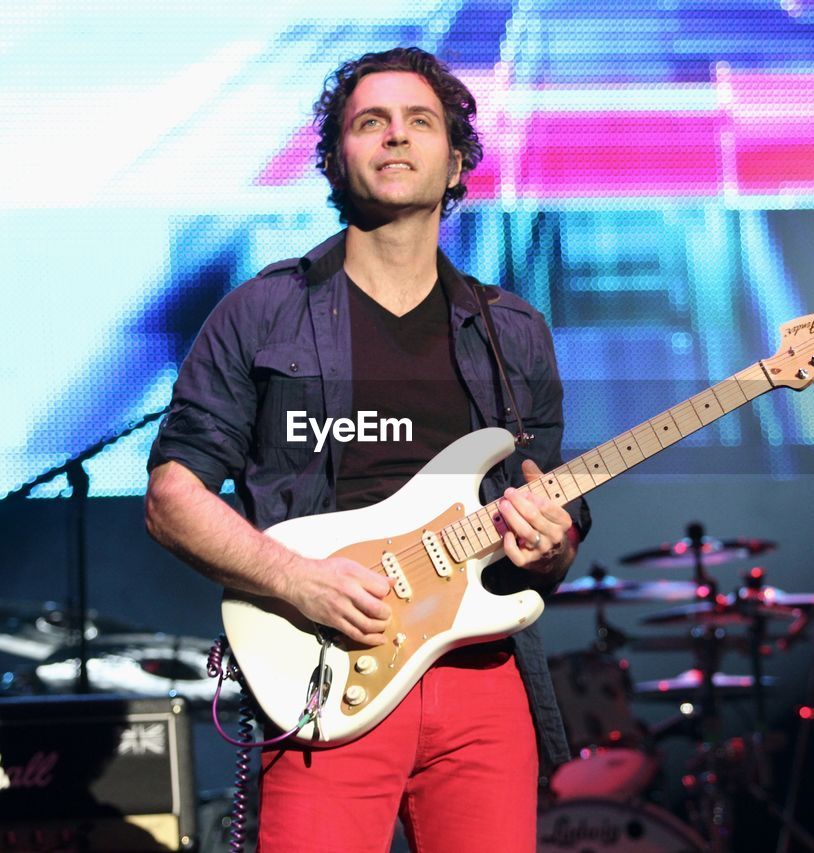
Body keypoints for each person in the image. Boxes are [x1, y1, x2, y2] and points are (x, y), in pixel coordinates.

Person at [145, 46, 590, 852]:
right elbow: (174, 495)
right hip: (327, 671)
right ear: (335, 158)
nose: (395, 138)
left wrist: (549, 543)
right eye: (370, 123)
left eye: (420, 122)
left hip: (481, 681)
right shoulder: (262, 313)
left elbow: (547, 523)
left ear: (456, 161)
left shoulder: (512, 331)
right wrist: (297, 580)